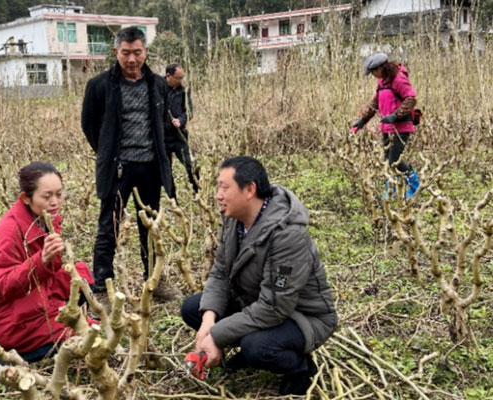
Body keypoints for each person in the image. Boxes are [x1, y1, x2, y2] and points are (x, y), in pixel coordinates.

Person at [180, 156, 337, 396]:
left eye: (224, 187)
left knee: (257, 346)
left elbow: (274, 307)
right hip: (256, 300)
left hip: (302, 315)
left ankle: (301, 369)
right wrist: (208, 322)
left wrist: (216, 336)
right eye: (217, 187)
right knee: (194, 308)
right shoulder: (235, 220)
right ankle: (248, 349)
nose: (218, 195)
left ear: (250, 189)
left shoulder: (288, 235)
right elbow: (221, 271)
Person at [81, 27, 178, 299]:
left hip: (150, 169)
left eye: (137, 52)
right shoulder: (99, 86)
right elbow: (90, 126)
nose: (132, 59)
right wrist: (108, 153)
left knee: (150, 226)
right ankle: (102, 285)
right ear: (116, 52)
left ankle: (154, 280)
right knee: (108, 226)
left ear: (146, 52)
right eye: (126, 53)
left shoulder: (158, 85)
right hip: (118, 169)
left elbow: (164, 127)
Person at [0, 162, 95, 362]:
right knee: (86, 335)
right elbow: (3, 286)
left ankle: (51, 325)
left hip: (32, 292)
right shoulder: (9, 231)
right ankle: (5, 354)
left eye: (59, 194)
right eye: (47, 196)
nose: (55, 202)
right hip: (0, 316)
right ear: (26, 198)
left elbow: (52, 271)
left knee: (84, 279)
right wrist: (41, 260)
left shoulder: (44, 218)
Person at [350, 52, 420, 199]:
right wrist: (362, 121)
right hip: (387, 128)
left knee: (395, 160)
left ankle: (414, 186)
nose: (373, 75)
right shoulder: (382, 83)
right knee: (387, 160)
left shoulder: (399, 79)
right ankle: (391, 189)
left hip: (401, 126)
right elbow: (375, 103)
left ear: (381, 68)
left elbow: (411, 99)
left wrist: (396, 115)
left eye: (373, 72)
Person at [164, 62, 199, 198]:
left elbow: (189, 111)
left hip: (179, 136)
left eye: (182, 77)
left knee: (192, 164)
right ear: (168, 76)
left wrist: (181, 120)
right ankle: (172, 200)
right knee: (166, 172)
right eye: (178, 78)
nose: (181, 81)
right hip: (163, 138)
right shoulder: (158, 88)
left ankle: (198, 192)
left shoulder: (184, 90)